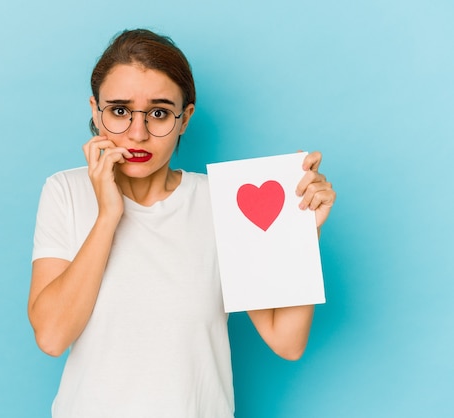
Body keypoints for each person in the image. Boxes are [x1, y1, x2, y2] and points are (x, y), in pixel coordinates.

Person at [27, 28, 336, 418]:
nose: (137, 134)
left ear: (185, 118)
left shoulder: (225, 201)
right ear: (95, 110)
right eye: (119, 111)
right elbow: (52, 336)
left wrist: (303, 236)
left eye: (158, 113)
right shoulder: (66, 192)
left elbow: (286, 342)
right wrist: (108, 215)